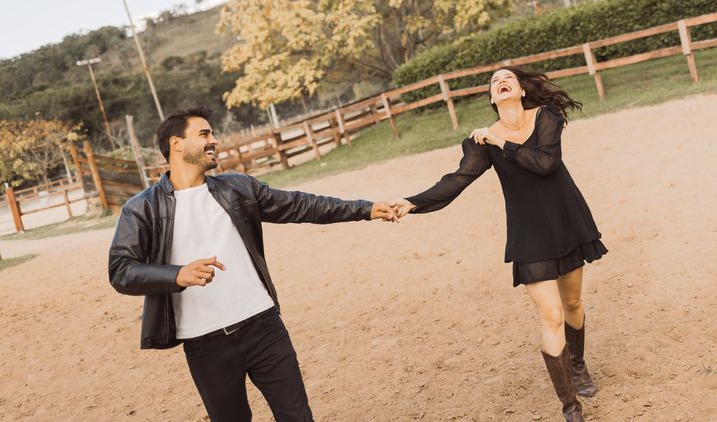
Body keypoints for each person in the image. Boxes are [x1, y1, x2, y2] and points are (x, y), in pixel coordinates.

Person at [108, 105, 399, 422]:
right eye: (204, 134)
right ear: (176, 144)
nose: (214, 140)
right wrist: (177, 275)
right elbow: (121, 270)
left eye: (212, 134)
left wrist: (366, 209)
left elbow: (300, 205)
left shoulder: (237, 187)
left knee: (298, 418)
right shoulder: (142, 208)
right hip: (204, 343)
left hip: (263, 326)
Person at [393, 68, 607, 422]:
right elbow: (457, 180)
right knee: (552, 315)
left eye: (507, 78)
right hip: (529, 235)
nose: (500, 82)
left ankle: (578, 364)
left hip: (566, 221)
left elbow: (546, 163)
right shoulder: (482, 141)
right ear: (493, 98)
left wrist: (501, 143)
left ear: (520, 90)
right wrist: (412, 202)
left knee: (572, 303)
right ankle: (571, 408)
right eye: (494, 82)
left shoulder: (545, 118)